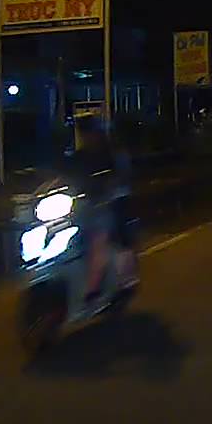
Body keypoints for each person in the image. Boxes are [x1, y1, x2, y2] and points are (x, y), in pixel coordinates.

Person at [70, 115, 137, 300]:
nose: (85, 137)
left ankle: (94, 286)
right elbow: (66, 174)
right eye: (83, 133)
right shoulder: (80, 156)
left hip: (110, 204)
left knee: (99, 237)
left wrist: (110, 188)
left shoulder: (111, 153)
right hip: (88, 205)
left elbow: (121, 177)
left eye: (88, 132)